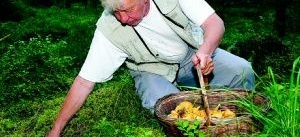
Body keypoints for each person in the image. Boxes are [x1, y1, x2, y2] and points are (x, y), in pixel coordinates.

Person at [47, 0, 254, 136]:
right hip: (150, 70)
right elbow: (84, 82)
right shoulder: (108, 28)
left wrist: (206, 51)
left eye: (127, 10)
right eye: (116, 12)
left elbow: (214, 23)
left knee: (241, 70)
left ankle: (239, 126)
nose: (123, 19)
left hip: (192, 54)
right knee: (168, 108)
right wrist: (56, 130)